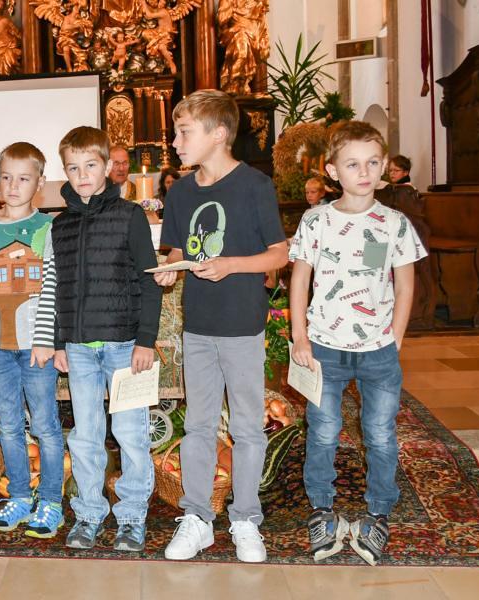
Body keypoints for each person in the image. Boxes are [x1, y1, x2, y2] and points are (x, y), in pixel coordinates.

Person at [156, 89, 288, 563]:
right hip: (199, 326)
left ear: (217, 134)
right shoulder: (180, 191)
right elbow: (178, 250)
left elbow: (279, 253)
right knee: (198, 424)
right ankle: (197, 518)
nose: (174, 142)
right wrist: (170, 268)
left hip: (242, 325)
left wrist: (231, 265)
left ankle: (246, 519)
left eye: (183, 132)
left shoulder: (254, 185)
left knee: (248, 427)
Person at [289, 121, 426, 566]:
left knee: (381, 433)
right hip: (324, 347)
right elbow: (300, 280)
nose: (363, 172)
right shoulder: (316, 220)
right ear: (333, 171)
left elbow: (405, 284)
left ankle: (379, 511)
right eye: (352, 164)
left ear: (383, 166)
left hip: (378, 349)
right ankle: (321, 508)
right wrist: (299, 336)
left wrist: (396, 338)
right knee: (323, 430)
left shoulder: (394, 224)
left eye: (371, 163)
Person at [52, 126, 162, 552]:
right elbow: (59, 287)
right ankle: (89, 514)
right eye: (73, 168)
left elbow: (149, 281)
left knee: (131, 433)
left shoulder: (129, 215)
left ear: (107, 167)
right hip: (80, 348)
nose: (82, 175)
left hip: (123, 345)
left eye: (90, 166)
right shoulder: (60, 224)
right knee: (85, 435)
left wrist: (145, 341)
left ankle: (131, 517)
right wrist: (60, 342)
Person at [0, 142, 65, 538]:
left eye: (23, 178)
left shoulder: (47, 227)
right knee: (8, 425)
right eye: (6, 177)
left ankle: (51, 501)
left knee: (45, 425)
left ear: (40, 183)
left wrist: (45, 339)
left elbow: (51, 287)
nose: (13, 185)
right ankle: (20, 495)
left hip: (36, 347)